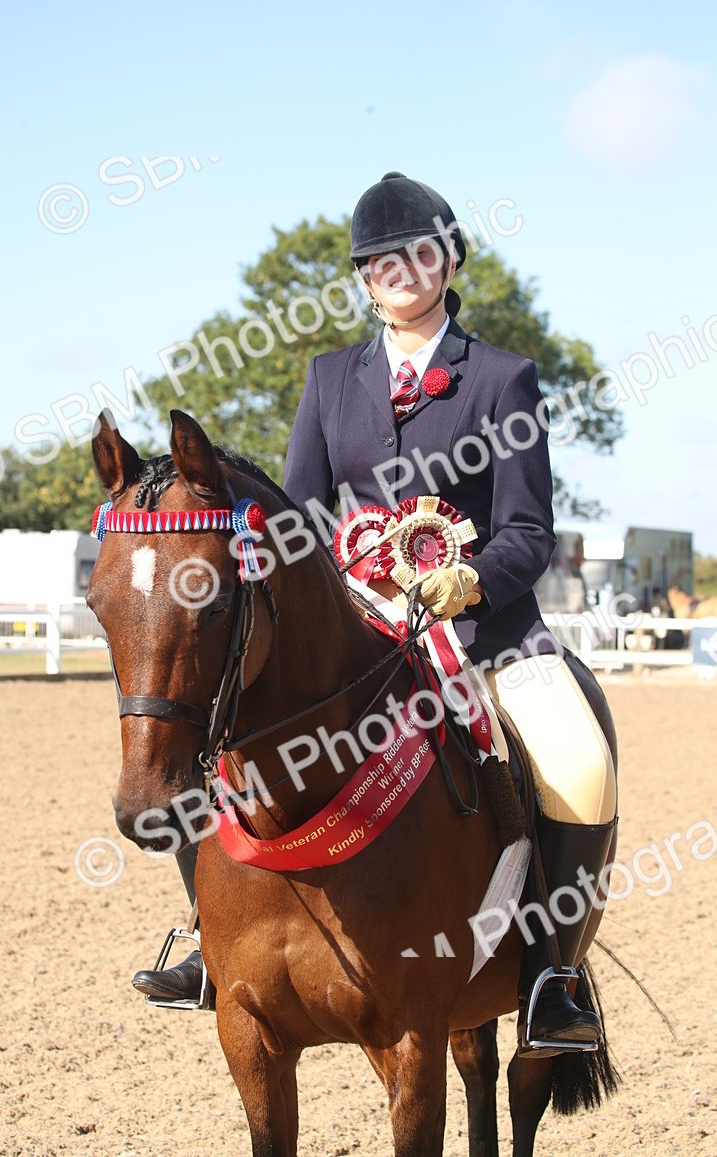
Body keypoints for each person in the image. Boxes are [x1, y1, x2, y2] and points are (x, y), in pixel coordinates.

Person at [135, 172, 617, 1058]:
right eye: (380, 260)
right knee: (213, 739)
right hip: (355, 638)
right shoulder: (328, 380)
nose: (401, 269)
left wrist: (456, 585)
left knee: (579, 762)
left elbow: (529, 531)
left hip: (483, 636)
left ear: (450, 260)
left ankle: (553, 975)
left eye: (419, 252)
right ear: (364, 279)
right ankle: (209, 941)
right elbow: (302, 522)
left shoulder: (506, 380)